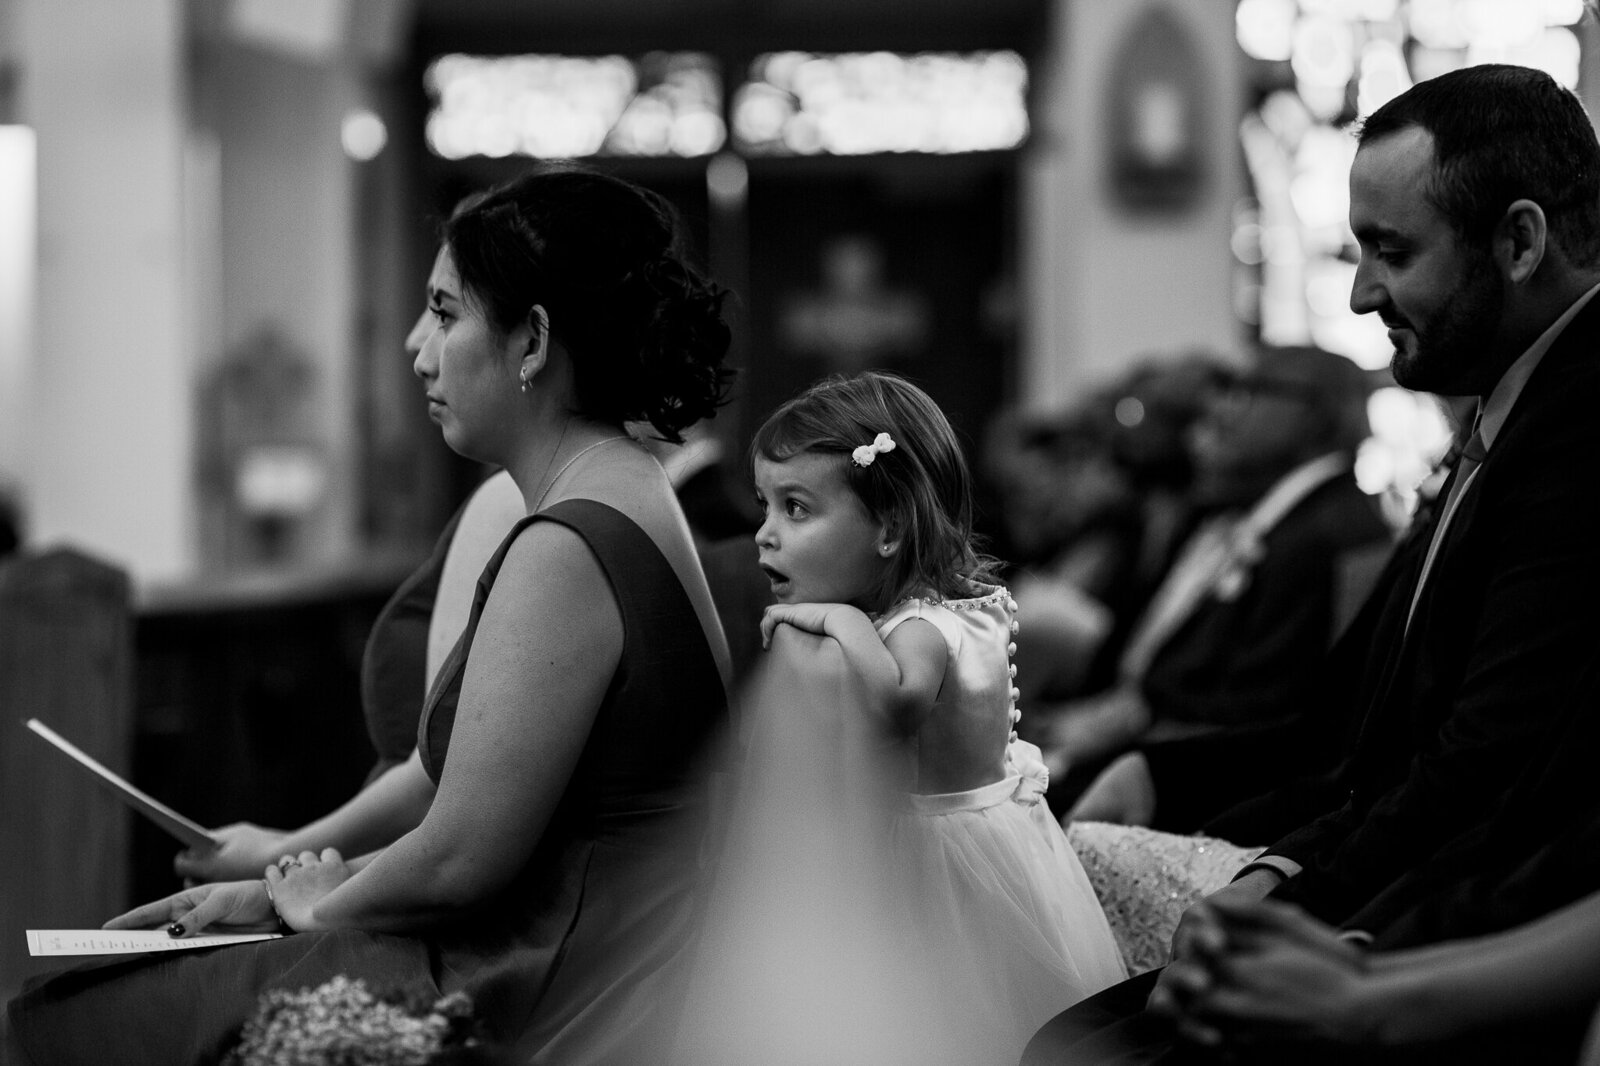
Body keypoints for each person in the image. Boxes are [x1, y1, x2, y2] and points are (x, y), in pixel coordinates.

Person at [5, 162, 737, 1066]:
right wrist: (287, 883)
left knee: (72, 1019)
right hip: (584, 941)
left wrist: (294, 902)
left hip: (562, 980)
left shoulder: (568, 542)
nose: (413, 344)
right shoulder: (622, 487)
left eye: (443, 312)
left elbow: (462, 857)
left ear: (534, 340)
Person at [1024, 62, 1600, 1065]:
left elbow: (1489, 769)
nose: (1361, 290)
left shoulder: (1585, 436)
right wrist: (1164, 776)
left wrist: (1317, 923)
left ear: (1518, 241)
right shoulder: (1500, 418)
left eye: (1390, 250)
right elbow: (1349, 727)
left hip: (1456, 931)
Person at [719, 371, 1126, 1065]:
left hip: (950, 856)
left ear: (890, 527)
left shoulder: (918, 628)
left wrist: (835, 619)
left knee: (957, 1021)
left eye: (796, 509)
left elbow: (897, 703)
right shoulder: (962, 605)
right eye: (765, 506)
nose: (764, 536)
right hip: (999, 835)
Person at [1057, 344, 1392, 829]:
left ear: (1317, 411)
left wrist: (1145, 715)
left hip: (1229, 791)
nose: (1223, 408)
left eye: (1252, 391)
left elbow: (1279, 702)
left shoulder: (1326, 531)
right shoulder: (1290, 518)